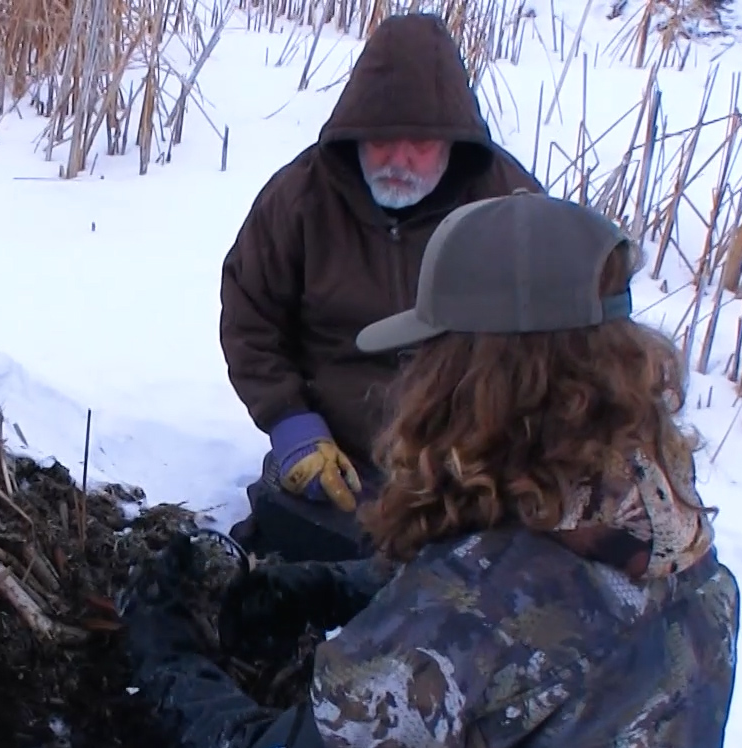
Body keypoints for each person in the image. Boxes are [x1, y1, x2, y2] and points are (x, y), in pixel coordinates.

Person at [119, 193, 741, 748]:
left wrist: (172, 664)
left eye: (431, 354)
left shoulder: (456, 627)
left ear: (479, 376)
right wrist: (322, 589)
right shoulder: (663, 526)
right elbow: (543, 620)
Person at [220, 12, 542, 564]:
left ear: (454, 142)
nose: (398, 161)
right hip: (340, 459)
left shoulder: (511, 209)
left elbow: (557, 347)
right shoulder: (299, 199)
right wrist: (291, 422)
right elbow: (251, 319)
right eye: (381, 141)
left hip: (471, 465)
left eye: (420, 143)